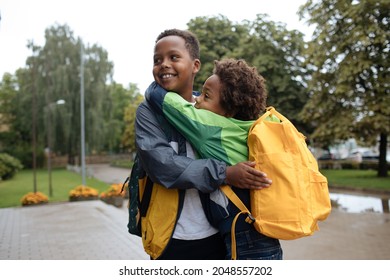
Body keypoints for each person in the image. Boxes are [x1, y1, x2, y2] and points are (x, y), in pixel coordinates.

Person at [133, 29, 272, 260]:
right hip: (171, 238)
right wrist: (225, 173)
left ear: (195, 65)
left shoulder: (213, 104)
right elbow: (162, 165)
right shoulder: (148, 112)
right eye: (157, 60)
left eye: (173, 57)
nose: (164, 64)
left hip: (221, 234)